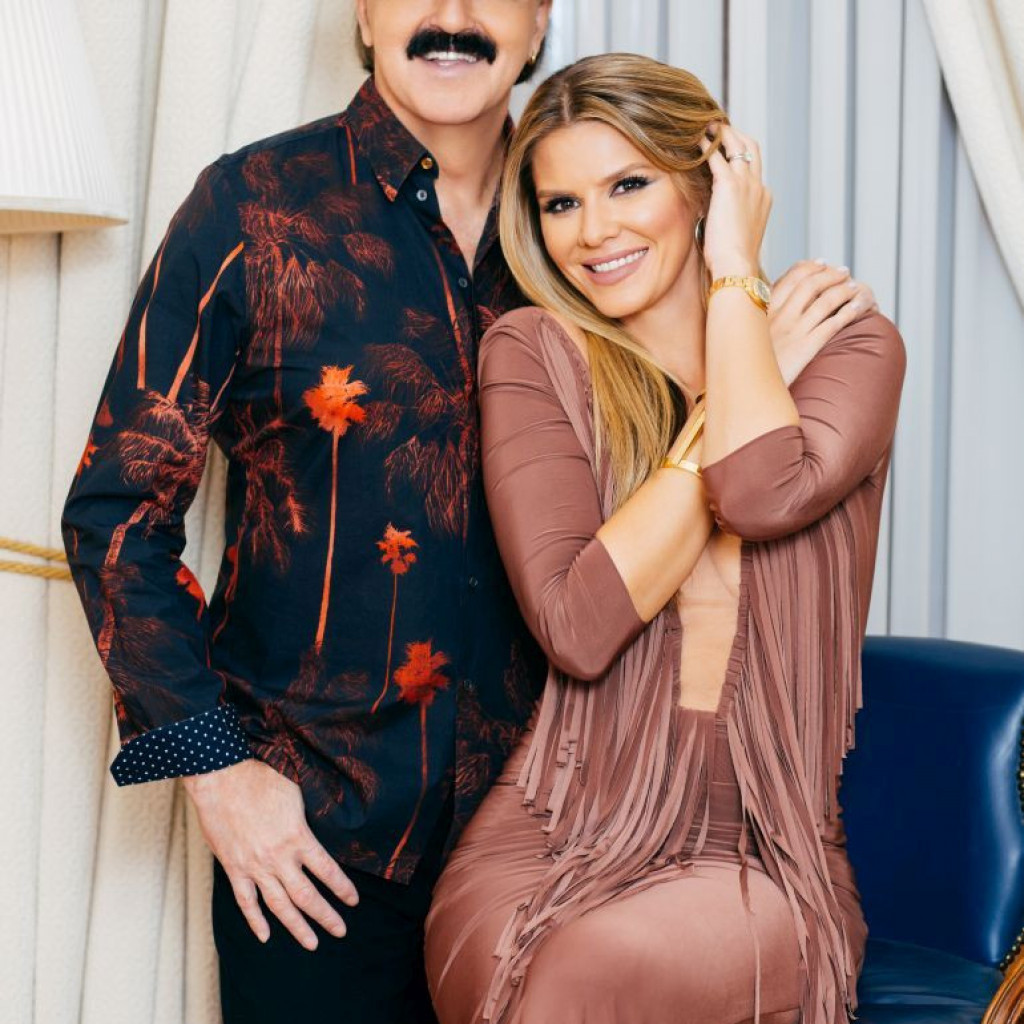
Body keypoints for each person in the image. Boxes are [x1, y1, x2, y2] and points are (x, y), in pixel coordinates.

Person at [61, 1, 878, 1020]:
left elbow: (720, 503)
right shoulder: (252, 207)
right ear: (364, 13)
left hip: (574, 829)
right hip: (322, 840)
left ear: (539, 22)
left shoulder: (589, 236)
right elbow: (116, 513)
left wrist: (747, 315)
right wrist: (218, 772)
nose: (452, 17)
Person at [424, 52, 905, 1024]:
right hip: (551, 827)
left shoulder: (843, 342)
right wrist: (746, 366)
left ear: (708, 183)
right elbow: (577, 625)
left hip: (758, 849)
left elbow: (758, 491)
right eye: (561, 204)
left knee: (578, 975)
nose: (593, 232)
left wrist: (737, 278)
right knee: (546, 971)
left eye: (628, 185)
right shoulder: (533, 353)